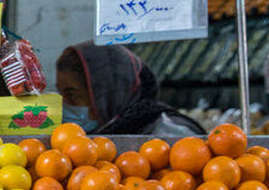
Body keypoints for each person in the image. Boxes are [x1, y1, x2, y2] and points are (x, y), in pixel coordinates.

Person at [55, 42, 205, 136]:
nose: (64, 105)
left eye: (72, 95)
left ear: (106, 96)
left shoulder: (171, 135)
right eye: (60, 94)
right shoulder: (91, 137)